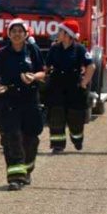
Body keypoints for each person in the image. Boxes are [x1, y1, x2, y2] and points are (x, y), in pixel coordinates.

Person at [0, 19, 46, 191]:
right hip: (9, 101)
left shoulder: (33, 50)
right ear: (9, 34)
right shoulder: (1, 54)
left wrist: (33, 77)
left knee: (30, 139)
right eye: (13, 31)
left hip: (30, 101)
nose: (16, 34)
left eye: (20, 31)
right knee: (11, 137)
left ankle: (27, 170)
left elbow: (43, 72)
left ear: (26, 34)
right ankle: (15, 177)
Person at [44, 20, 95, 154]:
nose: (58, 33)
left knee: (76, 118)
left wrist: (84, 83)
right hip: (57, 86)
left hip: (74, 88)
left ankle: (77, 139)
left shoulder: (80, 49)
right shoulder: (54, 48)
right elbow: (47, 66)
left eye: (60, 31)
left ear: (67, 34)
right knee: (56, 116)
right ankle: (57, 145)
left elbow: (91, 66)